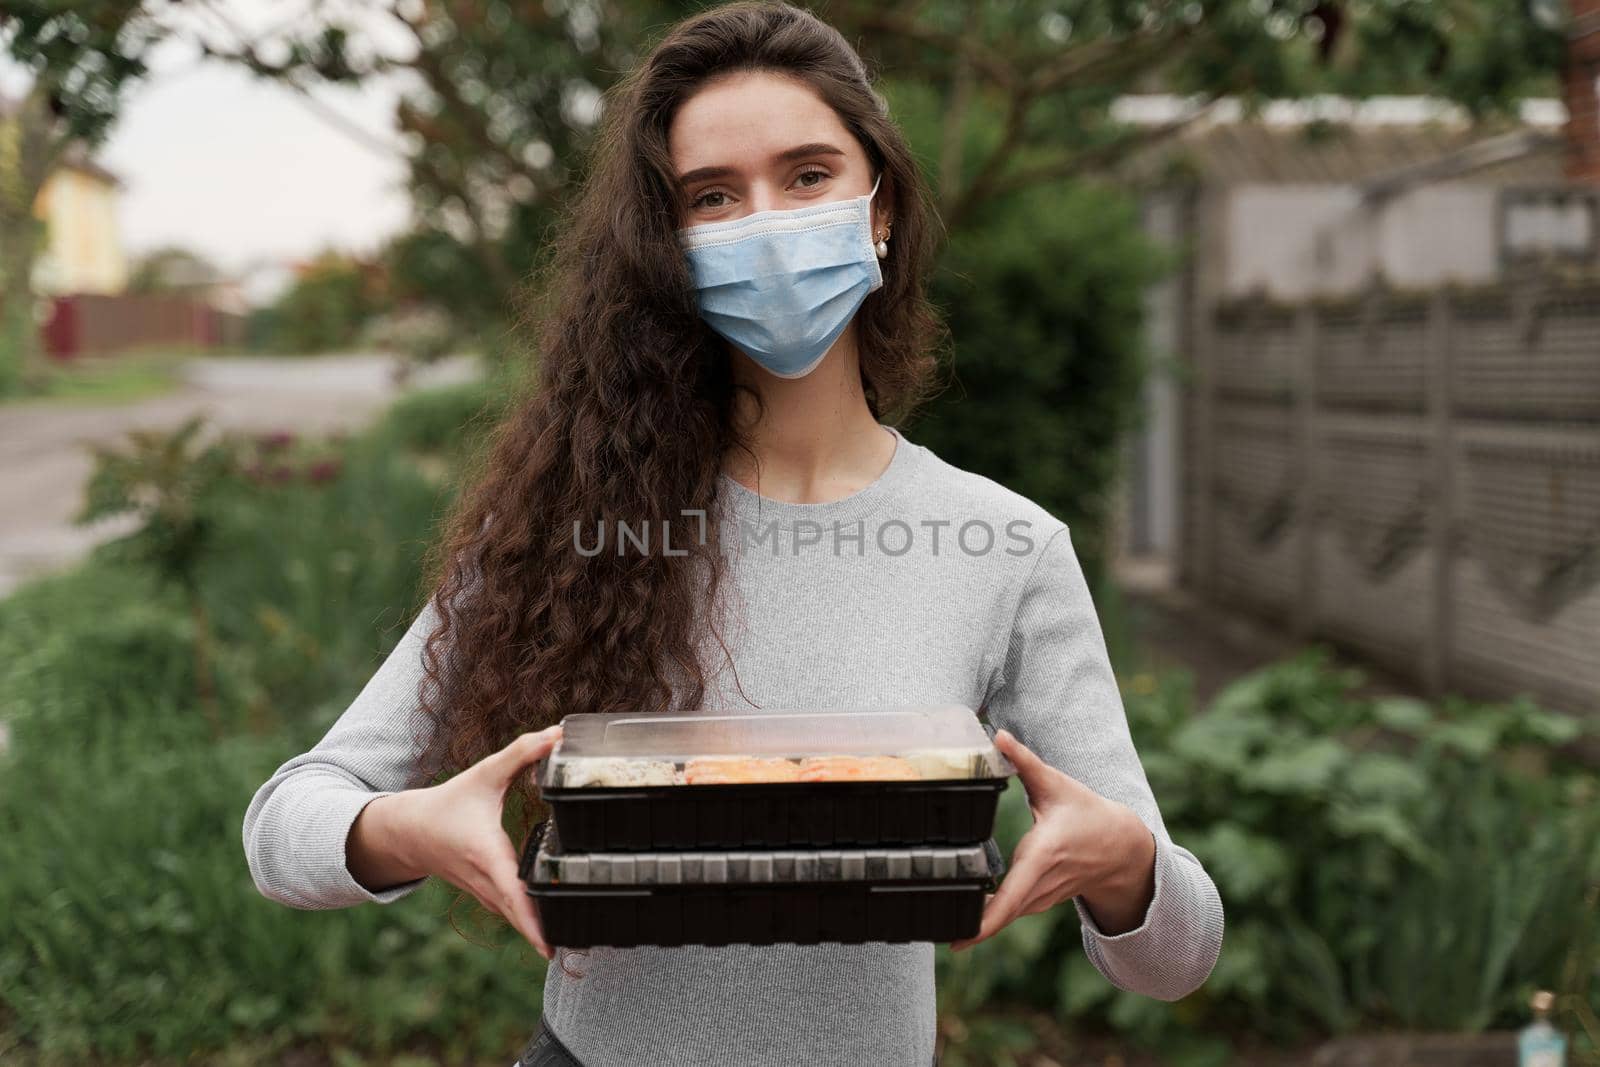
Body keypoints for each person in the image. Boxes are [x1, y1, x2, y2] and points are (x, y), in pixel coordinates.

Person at [240, 3, 1225, 1066]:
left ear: (879, 204)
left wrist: (1126, 865)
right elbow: (285, 822)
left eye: (807, 176)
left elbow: (1177, 954)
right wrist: (402, 829)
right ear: (668, 246)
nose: (766, 223)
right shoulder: (568, 520)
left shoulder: (1005, 547)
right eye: (714, 197)